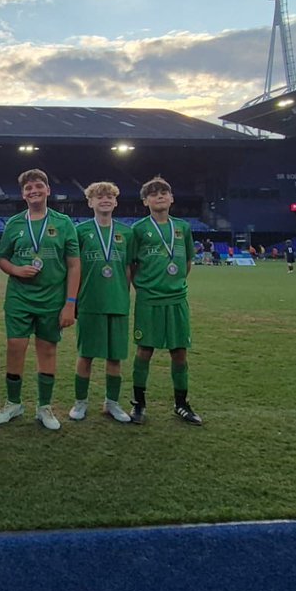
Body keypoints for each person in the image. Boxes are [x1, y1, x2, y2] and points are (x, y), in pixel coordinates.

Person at [0, 169, 80, 431]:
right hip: (20, 298)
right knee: (15, 347)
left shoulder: (64, 223)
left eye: (38, 186)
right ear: (23, 194)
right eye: (28, 188)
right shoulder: (15, 223)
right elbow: (1, 257)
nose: (34, 191)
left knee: (47, 350)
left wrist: (70, 303)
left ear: (48, 190)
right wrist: (16, 270)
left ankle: (44, 407)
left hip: (52, 300)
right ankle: (13, 403)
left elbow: (74, 265)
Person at [129, 176, 201, 426]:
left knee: (179, 352)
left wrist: (175, 283)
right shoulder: (138, 229)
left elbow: (187, 262)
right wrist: (146, 287)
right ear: (145, 201)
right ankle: (139, 403)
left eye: (164, 192)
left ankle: (181, 404)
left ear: (171, 198)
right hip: (149, 299)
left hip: (177, 299)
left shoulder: (183, 228)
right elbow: (132, 266)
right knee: (144, 350)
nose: (159, 196)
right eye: (153, 193)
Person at [69, 182, 134, 424]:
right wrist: (72, 300)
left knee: (115, 357)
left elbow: (128, 269)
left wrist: (124, 295)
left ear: (116, 202)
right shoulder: (81, 231)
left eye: (109, 196)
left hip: (117, 302)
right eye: (99, 197)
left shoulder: (127, 233)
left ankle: (112, 403)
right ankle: (80, 402)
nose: (104, 200)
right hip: (89, 302)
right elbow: (73, 268)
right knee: (85, 355)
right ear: (90, 203)